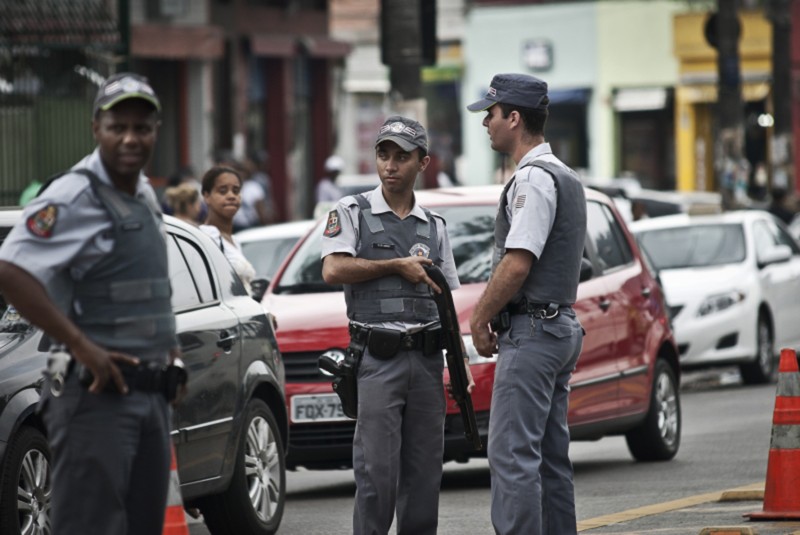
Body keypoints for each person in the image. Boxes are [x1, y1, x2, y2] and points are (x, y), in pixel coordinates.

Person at [0, 72, 179, 534]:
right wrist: (80, 345)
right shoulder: (73, 195)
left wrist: (169, 346)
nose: (130, 138)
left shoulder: (142, 192)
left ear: (156, 131)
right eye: (117, 126)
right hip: (98, 400)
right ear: (95, 127)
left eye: (142, 127)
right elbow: (11, 270)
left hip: (151, 395)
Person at [321, 116, 474, 535]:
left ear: (422, 162)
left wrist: (459, 361)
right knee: (377, 476)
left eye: (401, 157)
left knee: (424, 477)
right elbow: (333, 270)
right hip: (377, 358)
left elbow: (446, 299)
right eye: (383, 155)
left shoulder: (434, 226)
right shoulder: (351, 211)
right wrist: (395, 266)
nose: (390, 165)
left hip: (426, 361)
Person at [467, 73, 587, 535]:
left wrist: (479, 317)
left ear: (514, 118)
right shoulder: (566, 176)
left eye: (491, 114)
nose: (486, 124)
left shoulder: (532, 179)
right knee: (550, 458)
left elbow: (518, 263)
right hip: (558, 328)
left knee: (512, 456)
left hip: (535, 332)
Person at [200, 166, 257, 294]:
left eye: (236, 191)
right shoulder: (208, 237)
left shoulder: (234, 240)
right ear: (206, 196)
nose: (231, 196)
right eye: (223, 191)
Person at [233, 150, 272, 231]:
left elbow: (261, 210)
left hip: (250, 226)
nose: (241, 174)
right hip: (234, 226)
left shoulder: (253, 188)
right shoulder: (231, 187)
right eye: (239, 170)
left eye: (243, 171)